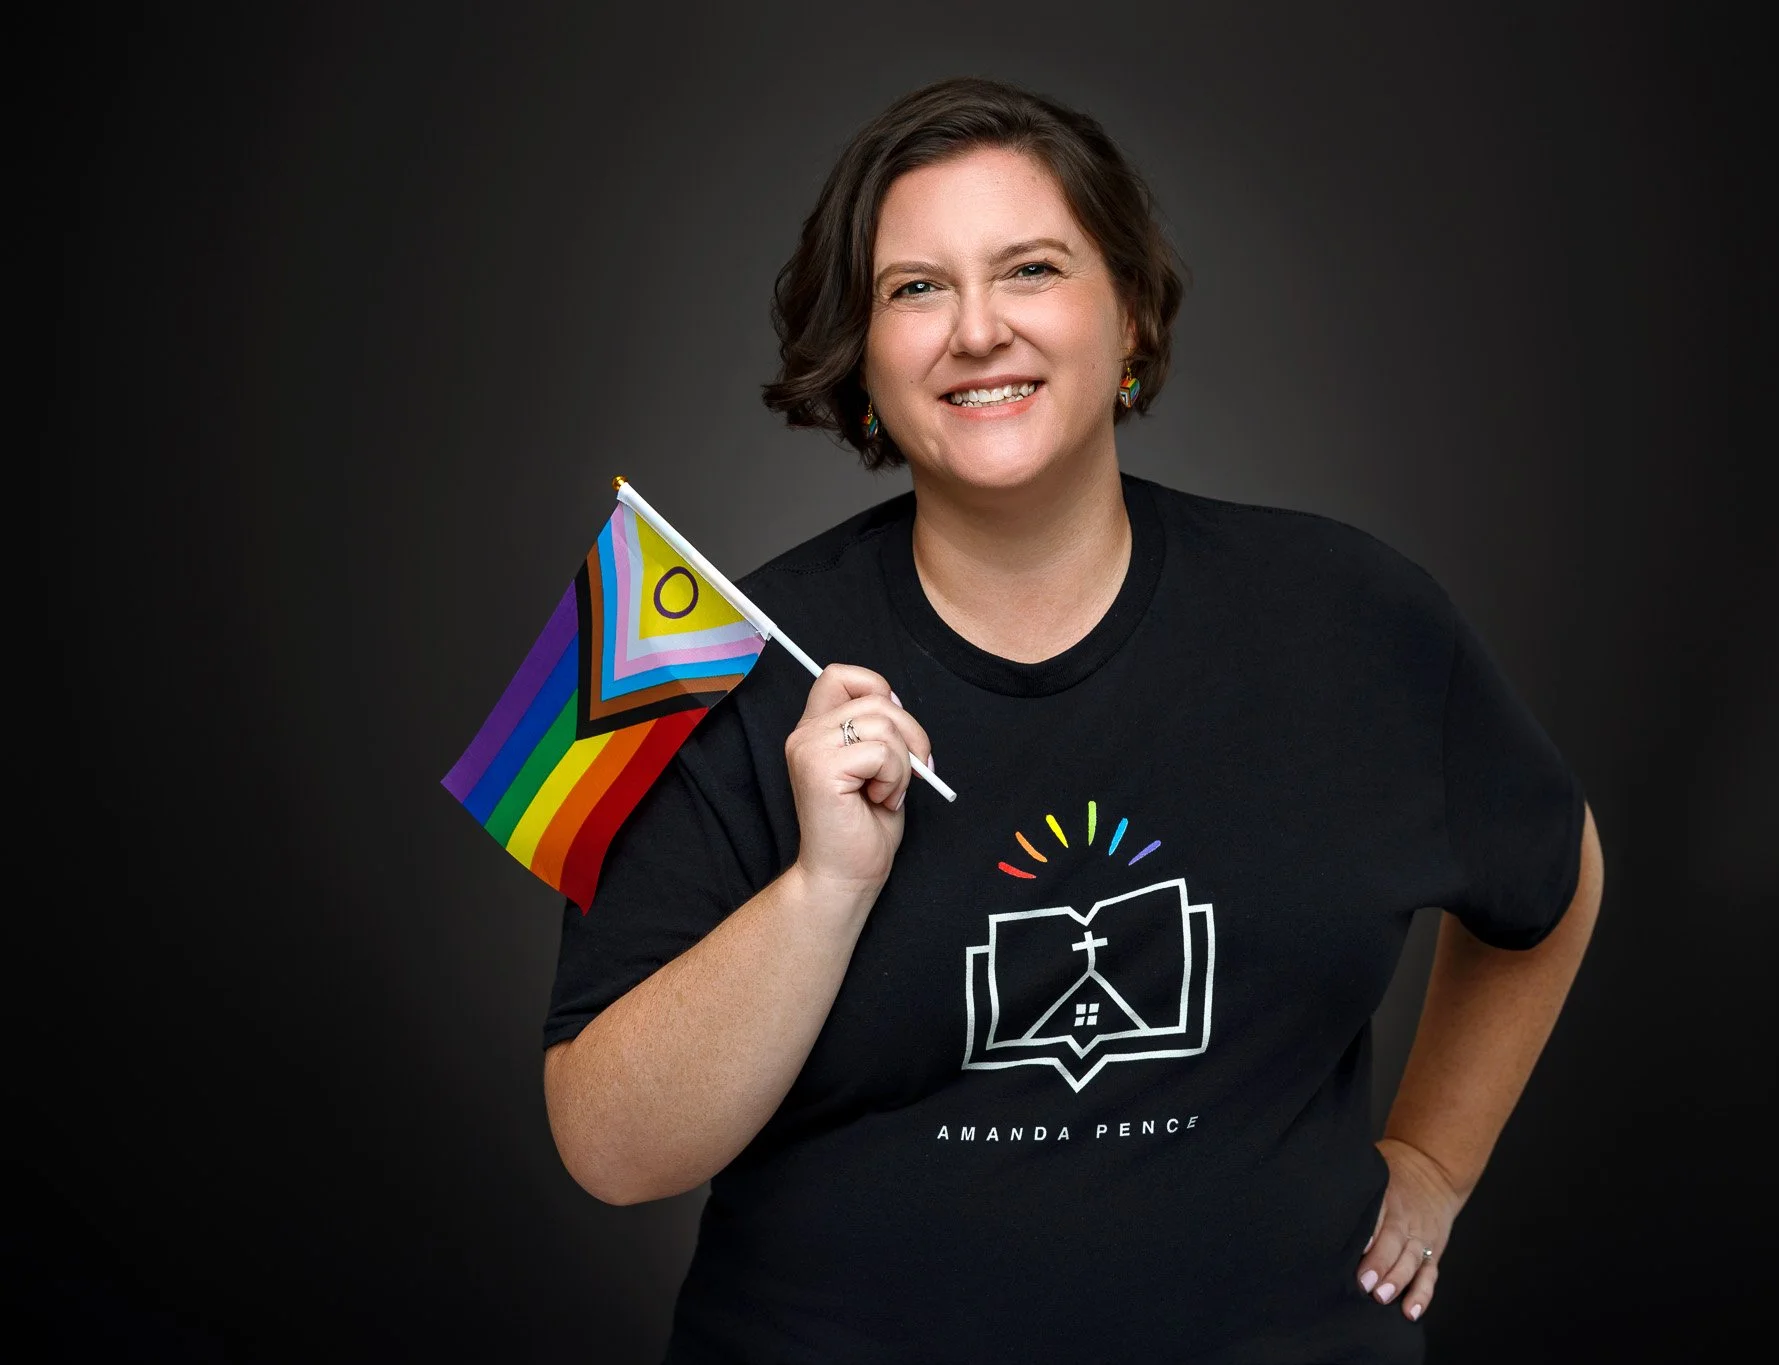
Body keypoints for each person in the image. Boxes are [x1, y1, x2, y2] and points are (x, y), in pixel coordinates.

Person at [540, 76, 1603, 1364]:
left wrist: (1433, 1160)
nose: (977, 329)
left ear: (1131, 317)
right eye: (914, 288)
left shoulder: (1358, 614)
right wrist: (823, 887)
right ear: (862, 359)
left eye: (1031, 269)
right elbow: (606, 1149)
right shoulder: (698, 661)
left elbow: (1553, 876)